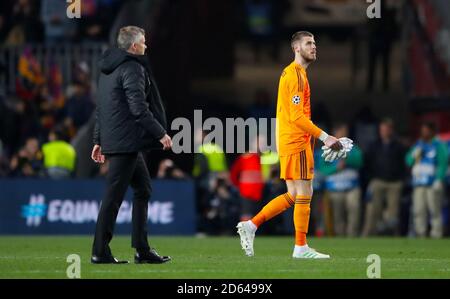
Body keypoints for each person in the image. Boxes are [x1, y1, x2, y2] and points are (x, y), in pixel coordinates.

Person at [236, 31, 343, 259]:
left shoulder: (294, 74)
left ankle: (251, 225)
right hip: (295, 141)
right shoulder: (295, 75)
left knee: (294, 194)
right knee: (305, 192)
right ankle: (301, 247)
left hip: (288, 141)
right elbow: (297, 117)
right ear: (296, 48)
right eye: (308, 43)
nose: (314, 46)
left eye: (315, 42)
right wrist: (326, 137)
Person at [91, 26, 173, 264]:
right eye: (144, 42)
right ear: (135, 46)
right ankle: (100, 251)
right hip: (126, 142)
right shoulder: (132, 68)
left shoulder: (108, 70)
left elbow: (102, 109)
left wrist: (98, 140)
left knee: (143, 189)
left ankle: (142, 249)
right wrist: (160, 133)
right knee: (113, 197)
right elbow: (138, 107)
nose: (146, 46)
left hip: (121, 141)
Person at [362, 118, 407, 236]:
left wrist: (402, 179)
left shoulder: (399, 146)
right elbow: (367, 163)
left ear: (391, 130)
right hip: (377, 181)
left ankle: (393, 236)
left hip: (395, 183)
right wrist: (370, 177)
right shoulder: (374, 145)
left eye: (386, 129)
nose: (384, 131)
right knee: (372, 210)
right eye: (382, 129)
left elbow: (404, 164)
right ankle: (367, 235)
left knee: (393, 213)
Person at [405, 122, 448, 238]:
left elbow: (443, 163)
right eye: (422, 130)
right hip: (419, 183)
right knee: (419, 210)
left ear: (432, 131)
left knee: (435, 210)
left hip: (432, 183)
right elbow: (408, 161)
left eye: (426, 130)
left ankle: (436, 234)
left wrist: (439, 179)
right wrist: (413, 155)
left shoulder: (438, 145)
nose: (423, 133)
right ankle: (420, 234)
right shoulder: (418, 145)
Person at [319, 124, 363, 237]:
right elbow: (322, 169)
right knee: (338, 215)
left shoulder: (352, 147)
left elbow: (360, 162)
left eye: (345, 132)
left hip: (351, 187)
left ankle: (352, 236)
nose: (343, 134)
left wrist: (347, 160)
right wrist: (336, 168)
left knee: (354, 208)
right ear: (334, 133)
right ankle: (340, 238)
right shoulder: (326, 148)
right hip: (334, 188)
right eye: (340, 132)